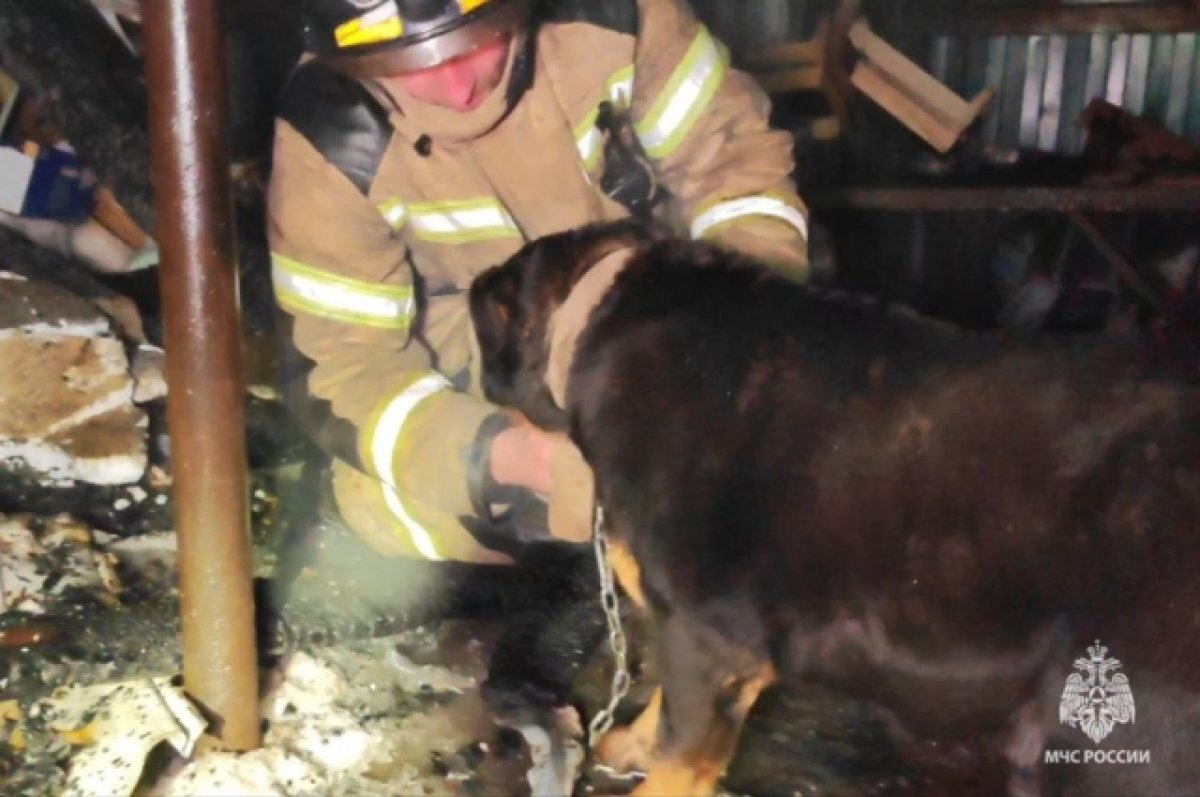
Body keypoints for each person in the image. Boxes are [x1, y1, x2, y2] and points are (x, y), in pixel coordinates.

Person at [267, 0, 810, 568]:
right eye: (408, 59)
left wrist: (733, 349)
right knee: (378, 506)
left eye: (477, 38)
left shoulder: (618, 18)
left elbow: (739, 173)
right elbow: (351, 368)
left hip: (670, 313)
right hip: (486, 371)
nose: (458, 88)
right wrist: (509, 458)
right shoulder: (328, 140)